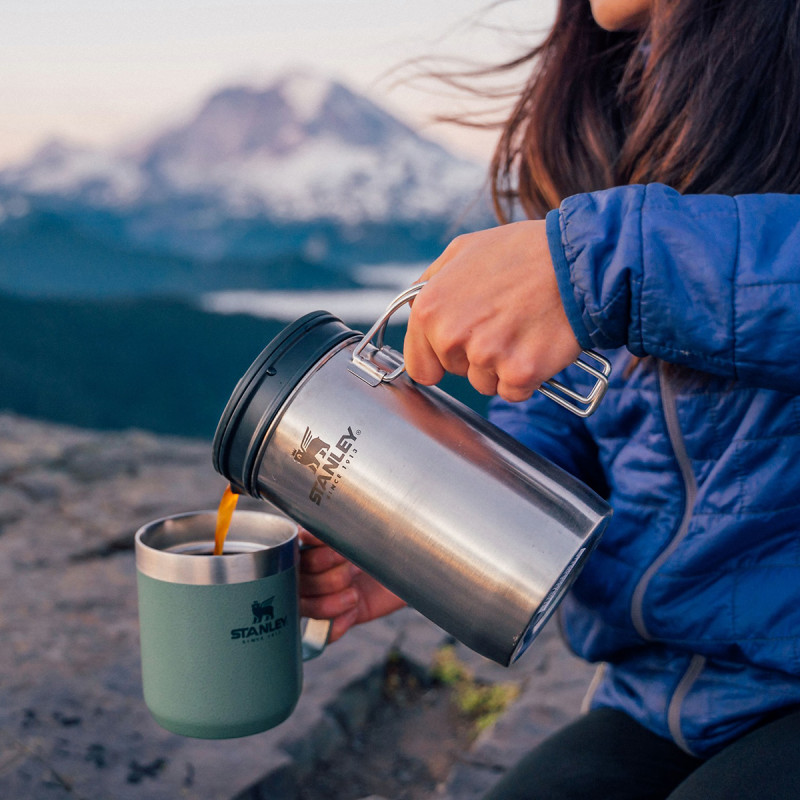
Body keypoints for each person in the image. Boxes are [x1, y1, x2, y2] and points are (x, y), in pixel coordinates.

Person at [300, 0, 800, 796]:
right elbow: (573, 411)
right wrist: (447, 524)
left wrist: (619, 261)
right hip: (668, 696)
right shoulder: (609, 98)